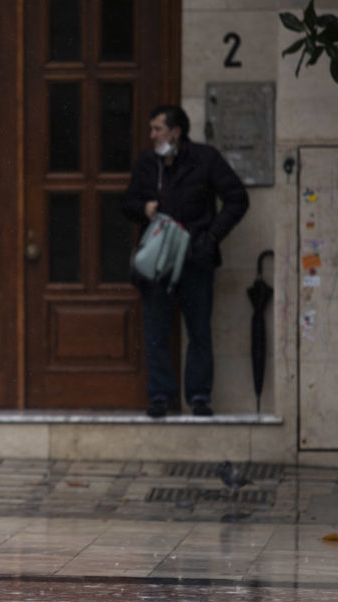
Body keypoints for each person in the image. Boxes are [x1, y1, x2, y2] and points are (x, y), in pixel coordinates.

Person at [123, 105, 248, 418]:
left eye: (158, 129)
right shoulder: (148, 163)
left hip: (195, 258)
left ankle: (199, 396)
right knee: (156, 332)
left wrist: (211, 237)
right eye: (151, 130)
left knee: (199, 331)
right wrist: (144, 209)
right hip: (158, 262)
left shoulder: (205, 159)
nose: (152, 136)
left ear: (176, 132)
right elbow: (128, 203)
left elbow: (237, 199)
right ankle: (161, 397)